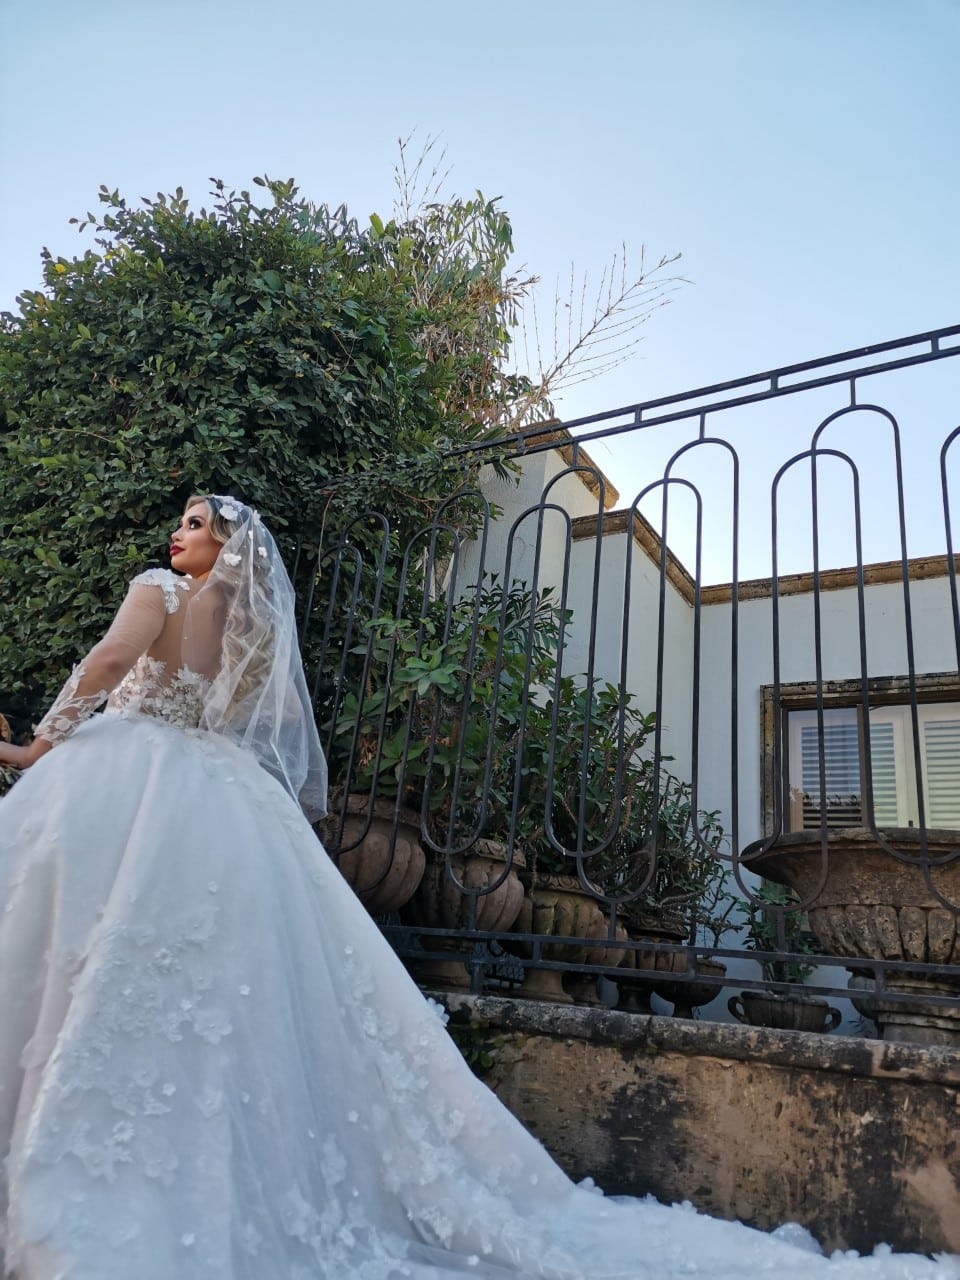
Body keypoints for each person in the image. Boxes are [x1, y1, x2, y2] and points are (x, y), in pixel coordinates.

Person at [0, 494, 956, 1280]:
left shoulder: (160, 589)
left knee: (80, 934)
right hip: (208, 785)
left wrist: (47, 738)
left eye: (199, 523)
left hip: (133, 767)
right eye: (182, 523)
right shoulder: (236, 617)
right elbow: (218, 706)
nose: (182, 534)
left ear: (221, 546)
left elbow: (115, 662)